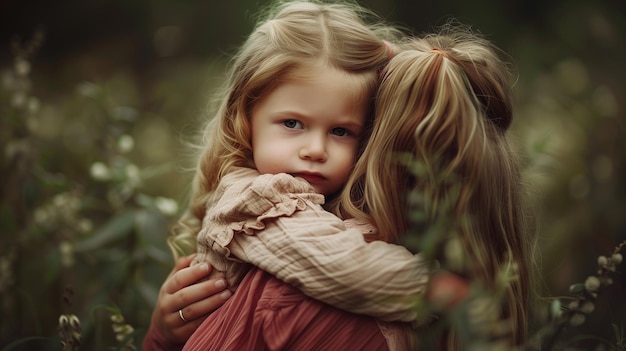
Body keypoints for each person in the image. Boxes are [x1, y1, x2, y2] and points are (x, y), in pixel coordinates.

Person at [146, 4, 532, 351]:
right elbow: (345, 267)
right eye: (293, 123)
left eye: (341, 131)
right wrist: (438, 288)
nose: (316, 149)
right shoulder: (256, 198)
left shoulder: (317, 200)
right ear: (245, 121)